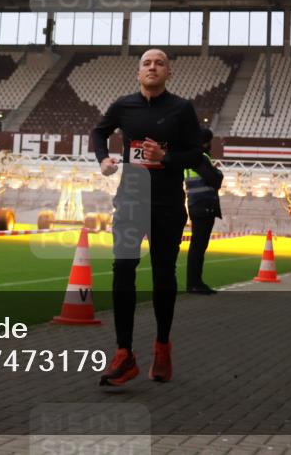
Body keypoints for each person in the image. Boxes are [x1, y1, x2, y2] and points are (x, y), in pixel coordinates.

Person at [91, 49, 202, 386]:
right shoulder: (124, 106)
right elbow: (99, 132)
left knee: (162, 274)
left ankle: (162, 346)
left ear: (169, 72)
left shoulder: (181, 109)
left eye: (159, 63)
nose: (153, 67)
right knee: (122, 268)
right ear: (138, 72)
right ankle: (124, 353)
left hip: (167, 205)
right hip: (130, 201)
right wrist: (103, 159)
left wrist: (166, 157)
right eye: (146, 63)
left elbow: (197, 154)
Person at [184, 128, 223, 294]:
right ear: (206, 142)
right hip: (203, 206)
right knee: (198, 247)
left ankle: (195, 282)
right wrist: (218, 172)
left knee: (198, 246)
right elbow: (215, 179)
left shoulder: (192, 156)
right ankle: (194, 283)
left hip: (197, 205)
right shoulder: (199, 157)